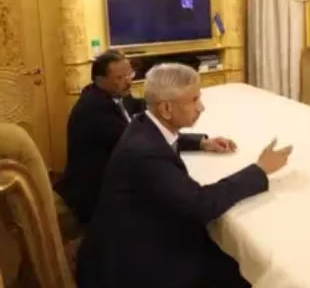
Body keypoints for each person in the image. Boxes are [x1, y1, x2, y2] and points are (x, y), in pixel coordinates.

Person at [77, 63, 293, 288]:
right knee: (238, 269)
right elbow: (200, 205)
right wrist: (259, 170)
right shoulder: (147, 155)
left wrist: (201, 142)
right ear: (166, 109)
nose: (201, 107)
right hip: (133, 264)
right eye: (193, 100)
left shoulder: (143, 124)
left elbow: (166, 138)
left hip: (128, 237)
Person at [54, 49, 145, 226]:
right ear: (100, 80)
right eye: (120, 77)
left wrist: (160, 102)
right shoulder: (94, 110)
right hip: (97, 195)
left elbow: (135, 106)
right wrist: (193, 141)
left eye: (129, 74)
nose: (128, 81)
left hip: (115, 178)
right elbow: (139, 142)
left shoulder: (114, 93)